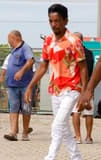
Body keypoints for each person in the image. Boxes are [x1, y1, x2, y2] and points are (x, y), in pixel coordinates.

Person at [24, 4, 88, 160]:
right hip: (55, 91)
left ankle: (50, 157)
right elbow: (43, 66)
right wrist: (30, 86)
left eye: (57, 21)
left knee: (57, 125)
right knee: (64, 127)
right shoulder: (48, 42)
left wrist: (85, 92)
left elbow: (83, 67)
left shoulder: (74, 41)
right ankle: (76, 157)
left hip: (72, 90)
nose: (54, 24)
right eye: (51, 21)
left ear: (65, 21)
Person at [3, 30, 34, 141]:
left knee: (26, 109)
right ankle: (13, 132)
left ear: (15, 38)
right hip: (12, 85)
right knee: (13, 108)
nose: (8, 42)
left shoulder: (25, 47)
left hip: (25, 85)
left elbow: (30, 61)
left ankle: (25, 133)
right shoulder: (13, 50)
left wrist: (21, 71)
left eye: (9, 40)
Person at [72, 32, 94, 144]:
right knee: (88, 112)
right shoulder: (89, 53)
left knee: (76, 111)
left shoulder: (72, 52)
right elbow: (90, 70)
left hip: (76, 86)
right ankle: (88, 137)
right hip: (89, 85)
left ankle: (78, 137)